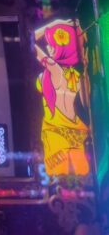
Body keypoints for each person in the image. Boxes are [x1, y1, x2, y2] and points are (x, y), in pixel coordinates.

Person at [34, 19, 89, 177]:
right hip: (78, 132)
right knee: (82, 180)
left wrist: (54, 23)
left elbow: (30, 40)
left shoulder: (55, 71)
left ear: (62, 47)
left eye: (51, 45)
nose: (48, 48)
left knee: (60, 181)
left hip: (55, 133)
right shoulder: (79, 75)